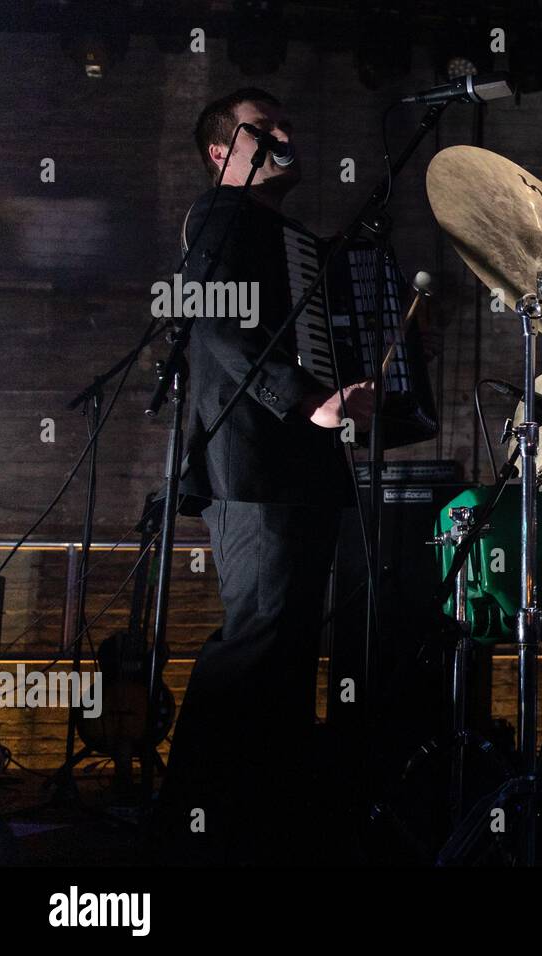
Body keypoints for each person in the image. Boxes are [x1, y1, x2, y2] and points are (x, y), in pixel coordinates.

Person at [153, 88, 373, 863]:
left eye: (288, 118)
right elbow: (217, 325)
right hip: (253, 467)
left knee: (285, 656)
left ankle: (258, 823)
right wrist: (309, 400)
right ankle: (191, 826)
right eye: (265, 124)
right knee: (255, 647)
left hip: (295, 469)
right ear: (223, 152)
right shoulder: (219, 215)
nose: (286, 130)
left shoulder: (280, 235)